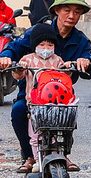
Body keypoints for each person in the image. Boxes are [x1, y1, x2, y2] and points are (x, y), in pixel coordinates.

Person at [0, 0, 91, 173]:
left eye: (77, 12)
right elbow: (13, 47)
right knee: (19, 112)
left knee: (67, 117)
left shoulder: (81, 40)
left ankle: (63, 155)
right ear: (57, 10)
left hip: (61, 96)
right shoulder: (39, 31)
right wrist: (5, 57)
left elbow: (90, 66)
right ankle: (29, 156)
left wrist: (86, 63)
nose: (71, 15)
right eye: (67, 10)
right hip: (31, 95)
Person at [10, 24, 68, 164]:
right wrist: (18, 69)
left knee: (55, 135)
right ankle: (35, 161)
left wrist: (69, 68)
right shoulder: (27, 59)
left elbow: (66, 74)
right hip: (34, 104)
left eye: (49, 45)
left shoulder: (57, 60)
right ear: (35, 45)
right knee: (34, 136)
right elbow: (18, 75)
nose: (46, 48)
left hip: (55, 104)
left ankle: (58, 158)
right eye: (42, 44)